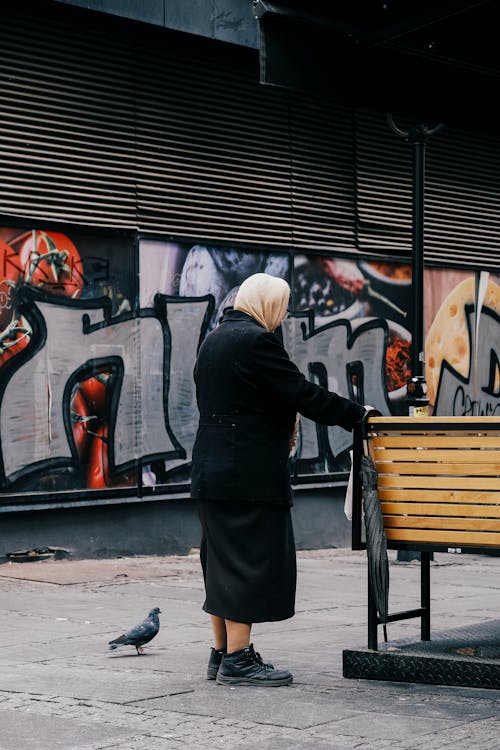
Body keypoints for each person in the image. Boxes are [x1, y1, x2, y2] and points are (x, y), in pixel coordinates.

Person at [191, 272, 365, 687]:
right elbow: (300, 392)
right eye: (281, 309)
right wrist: (357, 415)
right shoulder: (255, 341)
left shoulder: (212, 340)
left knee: (220, 563)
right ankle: (239, 660)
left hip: (211, 472)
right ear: (267, 304)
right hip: (247, 475)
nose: (282, 318)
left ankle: (220, 654)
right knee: (248, 564)